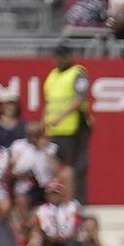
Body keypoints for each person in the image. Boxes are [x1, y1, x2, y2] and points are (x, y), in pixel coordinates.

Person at [43, 43, 93, 200]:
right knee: (53, 167)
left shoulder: (78, 73)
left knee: (76, 168)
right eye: (58, 56)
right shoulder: (52, 75)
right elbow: (49, 102)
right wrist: (43, 122)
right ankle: (59, 200)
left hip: (74, 128)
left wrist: (61, 116)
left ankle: (78, 202)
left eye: (63, 55)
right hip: (54, 130)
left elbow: (80, 98)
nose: (60, 59)